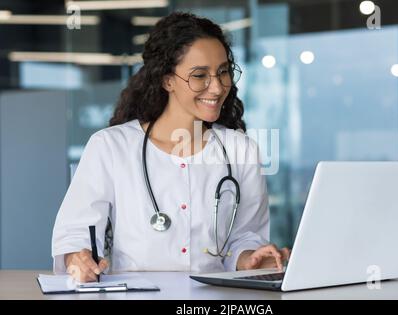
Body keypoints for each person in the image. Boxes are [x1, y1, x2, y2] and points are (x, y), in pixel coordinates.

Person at [52, 12, 290, 283]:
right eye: (200, 75)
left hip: (212, 300)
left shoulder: (241, 150)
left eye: (223, 72)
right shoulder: (110, 146)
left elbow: (245, 236)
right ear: (167, 80)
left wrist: (250, 258)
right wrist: (77, 258)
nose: (217, 87)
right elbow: (74, 232)